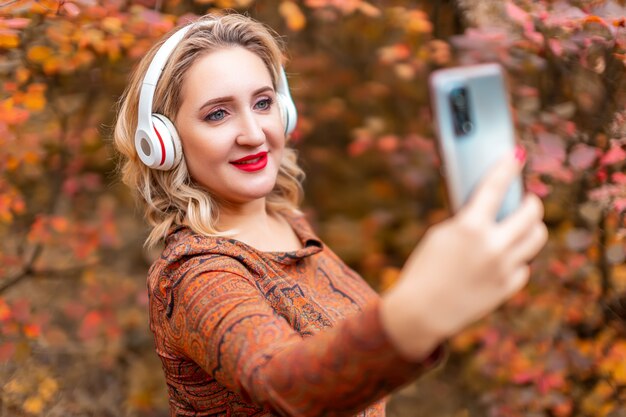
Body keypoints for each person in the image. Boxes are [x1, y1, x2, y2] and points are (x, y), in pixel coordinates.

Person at [113, 12, 548, 417]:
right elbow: (287, 385)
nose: (253, 133)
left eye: (263, 103)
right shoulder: (196, 277)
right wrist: (418, 311)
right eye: (218, 114)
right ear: (163, 142)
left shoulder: (290, 226)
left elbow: (355, 358)